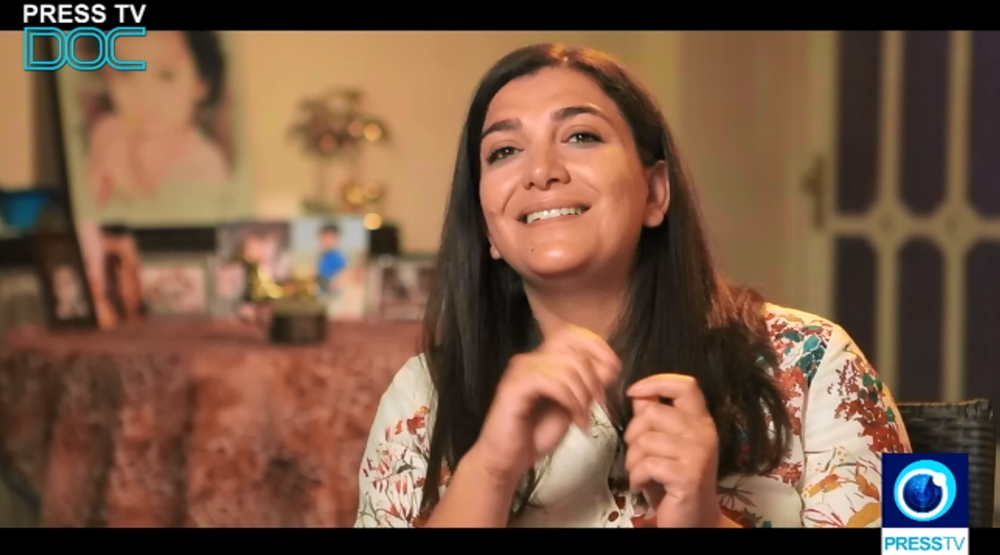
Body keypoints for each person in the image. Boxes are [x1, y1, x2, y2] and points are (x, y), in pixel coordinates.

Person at [354, 44, 911, 529]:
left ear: (655, 193)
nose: (540, 171)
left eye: (580, 135)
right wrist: (492, 468)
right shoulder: (423, 396)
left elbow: (932, 545)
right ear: (486, 230)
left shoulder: (816, 360)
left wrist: (702, 519)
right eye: (504, 151)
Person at [86, 31, 229, 210]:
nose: (144, 94)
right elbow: (91, 208)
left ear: (201, 83)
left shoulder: (204, 164)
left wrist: (130, 169)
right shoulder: (106, 132)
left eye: (165, 74)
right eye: (126, 73)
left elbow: (170, 221)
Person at [317, 224, 347, 295]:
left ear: (337, 239)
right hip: (322, 292)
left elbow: (340, 279)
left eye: (331, 238)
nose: (328, 241)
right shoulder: (322, 256)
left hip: (332, 295)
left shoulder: (338, 258)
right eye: (325, 237)